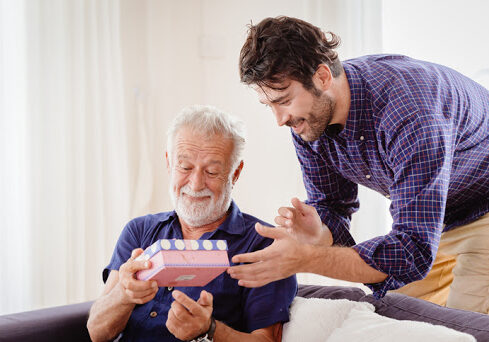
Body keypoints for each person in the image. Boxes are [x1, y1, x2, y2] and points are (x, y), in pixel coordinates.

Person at [228, 16, 489, 314]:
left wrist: (304, 258)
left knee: (465, 324)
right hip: (435, 217)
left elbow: (412, 249)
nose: (279, 119)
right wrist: (320, 235)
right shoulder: (308, 124)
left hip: (483, 204)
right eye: (269, 105)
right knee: (401, 316)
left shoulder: (409, 113)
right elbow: (332, 206)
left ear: (323, 77)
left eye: (284, 100)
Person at [86, 105, 297, 342]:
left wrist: (210, 329)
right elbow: (97, 331)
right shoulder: (139, 230)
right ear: (169, 164)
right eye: (185, 167)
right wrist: (124, 294)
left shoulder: (266, 246)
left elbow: (266, 340)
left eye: (212, 171)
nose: (196, 184)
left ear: (235, 173)